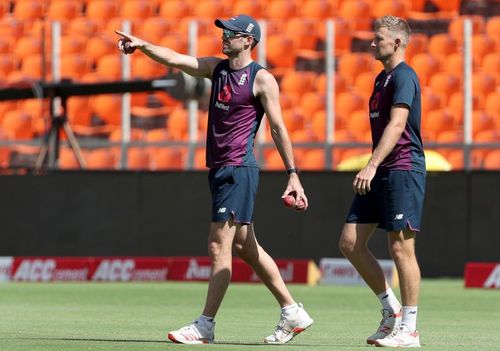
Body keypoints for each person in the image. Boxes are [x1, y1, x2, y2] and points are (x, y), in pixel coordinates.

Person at [116, 14, 313, 345]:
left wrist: (293, 174)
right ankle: (292, 310)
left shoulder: (261, 78)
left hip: (238, 169)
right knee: (245, 247)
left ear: (248, 41)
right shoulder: (217, 68)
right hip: (220, 169)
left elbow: (278, 128)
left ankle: (205, 324)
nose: (224, 37)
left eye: (231, 33)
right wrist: (144, 46)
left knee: (217, 243)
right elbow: (178, 59)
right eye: (224, 32)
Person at [338, 16, 425, 348]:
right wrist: (375, 165)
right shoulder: (380, 79)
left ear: (397, 43)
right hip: (382, 168)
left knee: (401, 246)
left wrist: (371, 165)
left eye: (379, 39)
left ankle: (411, 329)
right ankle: (392, 312)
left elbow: (398, 123)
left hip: (402, 168)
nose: (372, 43)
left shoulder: (404, 76)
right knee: (349, 242)